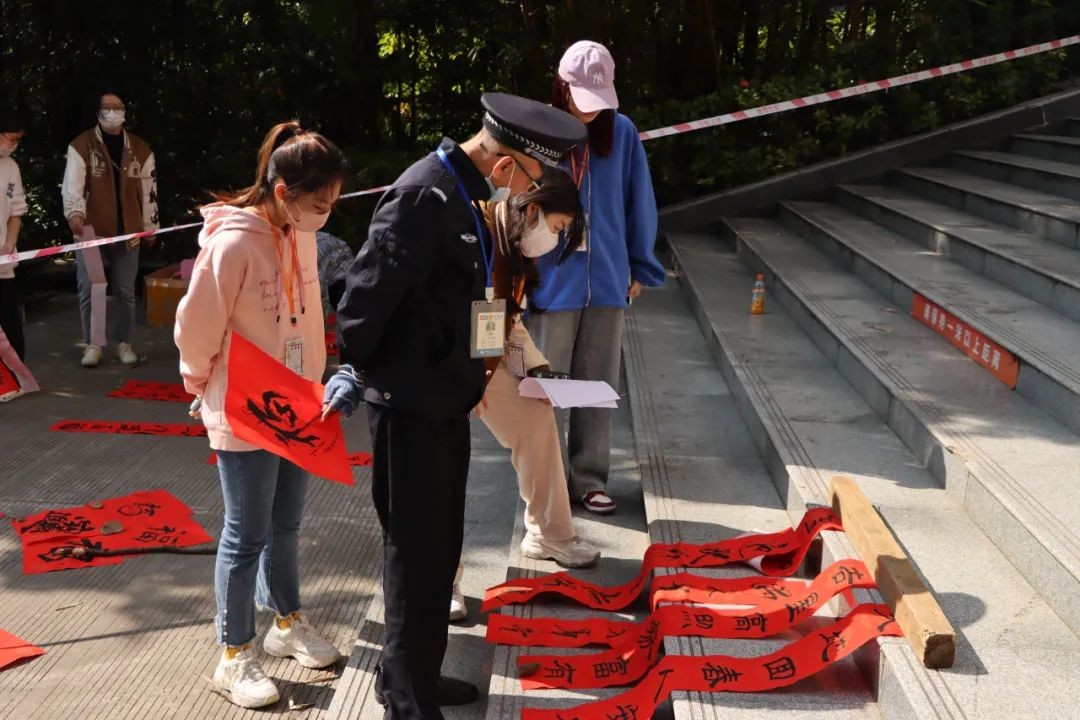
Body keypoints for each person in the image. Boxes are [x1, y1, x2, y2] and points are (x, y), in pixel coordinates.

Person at [324, 93, 586, 719]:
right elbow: (362, 305)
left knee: (439, 550)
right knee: (415, 556)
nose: (525, 196)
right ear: (506, 166)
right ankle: (406, 700)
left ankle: (416, 672)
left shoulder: (464, 196)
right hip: (411, 406)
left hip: (443, 401)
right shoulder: (425, 195)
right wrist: (383, 377)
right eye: (530, 179)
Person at [174, 122, 347, 709]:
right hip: (245, 406)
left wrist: (315, 383)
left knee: (286, 523)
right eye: (318, 203)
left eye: (332, 202)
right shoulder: (232, 244)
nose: (325, 214)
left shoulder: (301, 234)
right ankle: (234, 653)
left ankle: (286, 621)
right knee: (245, 533)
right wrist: (201, 385)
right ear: (281, 192)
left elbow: (309, 315)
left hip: (298, 402)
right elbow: (196, 326)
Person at [448, 171, 601, 621]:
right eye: (556, 228)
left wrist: (537, 368)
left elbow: (506, 318)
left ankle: (549, 534)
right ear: (533, 210)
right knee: (443, 471)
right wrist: (463, 379)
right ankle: (443, 578)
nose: (553, 241)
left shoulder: (510, 243)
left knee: (536, 417)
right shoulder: (474, 228)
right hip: (442, 363)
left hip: (486, 355)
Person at [527, 40, 665, 516]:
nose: (590, 110)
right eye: (581, 98)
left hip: (607, 278)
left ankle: (589, 477)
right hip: (551, 279)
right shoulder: (537, 132)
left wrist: (640, 265)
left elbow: (639, 200)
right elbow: (516, 205)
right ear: (561, 88)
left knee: (598, 381)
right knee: (545, 386)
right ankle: (545, 481)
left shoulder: (621, 133)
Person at [62, 88, 159, 368]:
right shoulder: (81, 145)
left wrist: (151, 225)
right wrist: (75, 213)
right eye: (107, 107)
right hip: (90, 230)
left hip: (129, 230)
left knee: (125, 291)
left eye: (118, 107)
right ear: (98, 112)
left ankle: (124, 343)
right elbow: (72, 183)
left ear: (125, 111)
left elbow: (149, 190)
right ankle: (93, 344)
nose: (113, 112)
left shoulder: (140, 149)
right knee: (91, 287)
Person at [0, 110, 27, 402]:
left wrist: (9, 243)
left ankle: (14, 379)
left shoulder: (11, 167)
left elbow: (16, 211)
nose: (14, 145)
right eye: (11, 139)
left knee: (8, 319)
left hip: (3, 261)